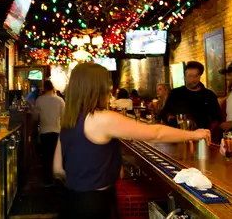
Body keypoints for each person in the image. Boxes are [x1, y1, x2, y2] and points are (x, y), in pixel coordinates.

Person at [53, 63, 210, 219]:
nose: (109, 87)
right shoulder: (101, 118)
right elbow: (156, 133)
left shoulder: (68, 121)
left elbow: (58, 169)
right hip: (94, 205)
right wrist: (193, 135)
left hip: (70, 202)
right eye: (106, 83)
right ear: (97, 87)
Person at [157, 61, 221, 132]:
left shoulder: (209, 95)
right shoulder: (175, 93)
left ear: (200, 76)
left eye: (196, 76)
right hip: (179, 136)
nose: (193, 79)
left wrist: (207, 132)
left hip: (201, 137)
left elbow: (217, 119)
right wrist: (169, 118)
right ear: (184, 77)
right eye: (190, 76)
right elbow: (164, 114)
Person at [36, 80, 65, 186]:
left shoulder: (39, 100)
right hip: (57, 131)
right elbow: (64, 117)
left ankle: (47, 179)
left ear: (44, 88)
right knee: (55, 155)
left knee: (46, 157)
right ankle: (56, 178)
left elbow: (35, 117)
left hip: (44, 131)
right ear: (53, 87)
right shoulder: (60, 100)